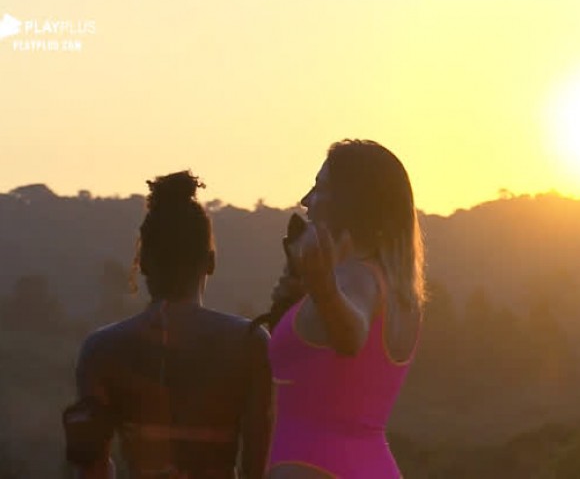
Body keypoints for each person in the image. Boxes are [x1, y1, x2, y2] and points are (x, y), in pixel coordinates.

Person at [66, 171, 271, 479]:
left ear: (143, 262)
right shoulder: (249, 344)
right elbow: (257, 467)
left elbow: (92, 469)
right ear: (211, 261)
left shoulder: (101, 350)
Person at [265, 139, 426, 478]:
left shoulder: (355, 278)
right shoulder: (397, 291)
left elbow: (352, 336)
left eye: (319, 188)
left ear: (353, 201)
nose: (306, 201)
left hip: (315, 465)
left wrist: (323, 287)